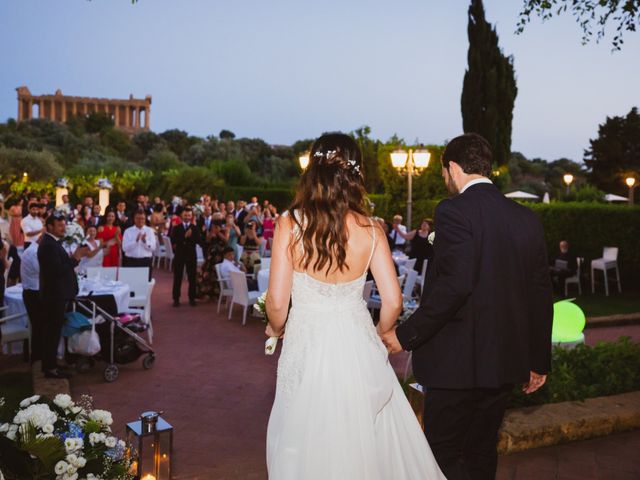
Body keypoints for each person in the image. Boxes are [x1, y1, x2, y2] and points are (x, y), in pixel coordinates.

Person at [265, 133, 444, 479]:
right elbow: (393, 300)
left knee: (304, 432)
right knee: (368, 433)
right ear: (355, 174)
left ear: (313, 170)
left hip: (307, 342)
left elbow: (276, 301)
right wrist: (382, 332)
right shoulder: (372, 228)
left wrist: (276, 327)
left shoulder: (290, 223)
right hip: (356, 341)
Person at [382, 133, 553, 480]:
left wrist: (406, 335)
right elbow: (540, 294)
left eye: (445, 172)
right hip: (504, 363)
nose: (446, 179)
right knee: (481, 450)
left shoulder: (453, 210)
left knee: (442, 452)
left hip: (455, 366)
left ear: (454, 168)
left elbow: (454, 285)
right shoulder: (526, 219)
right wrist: (538, 360)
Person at [38, 213, 89, 379]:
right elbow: (57, 271)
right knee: (52, 332)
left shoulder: (53, 243)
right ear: (50, 227)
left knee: (53, 332)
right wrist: (75, 258)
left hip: (57, 295)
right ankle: (50, 369)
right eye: (60, 226)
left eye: (64, 225)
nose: (63, 228)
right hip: (54, 296)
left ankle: (51, 365)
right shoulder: (48, 245)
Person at [170, 207, 201, 307]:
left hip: (191, 255)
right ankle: (176, 299)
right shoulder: (176, 227)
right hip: (180, 255)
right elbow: (173, 241)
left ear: (191, 216)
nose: (187, 217)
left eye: (189, 215)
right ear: (181, 216)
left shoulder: (195, 228)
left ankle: (192, 298)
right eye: (185, 215)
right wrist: (185, 236)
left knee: (192, 278)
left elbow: (198, 240)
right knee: (177, 277)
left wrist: (189, 237)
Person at [20, 238, 43, 365]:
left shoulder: (34, 249)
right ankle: (36, 357)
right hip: (33, 293)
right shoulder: (34, 252)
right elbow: (42, 271)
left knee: (37, 325)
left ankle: (37, 356)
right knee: (38, 325)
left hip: (33, 292)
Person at [196, 213, 228, 299]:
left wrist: (218, 233)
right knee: (207, 272)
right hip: (211, 253)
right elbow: (207, 240)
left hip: (220, 254)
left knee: (218, 274)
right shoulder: (211, 228)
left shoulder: (225, 228)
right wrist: (211, 233)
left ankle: (218, 294)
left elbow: (226, 240)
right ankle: (207, 293)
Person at [122, 210, 157, 279]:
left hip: (145, 262)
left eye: (142, 218)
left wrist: (145, 241)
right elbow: (124, 248)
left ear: (145, 219)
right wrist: (136, 241)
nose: (140, 220)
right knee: (130, 284)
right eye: (138, 218)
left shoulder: (150, 231)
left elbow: (153, 248)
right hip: (130, 262)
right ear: (134, 219)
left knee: (145, 285)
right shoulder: (128, 231)